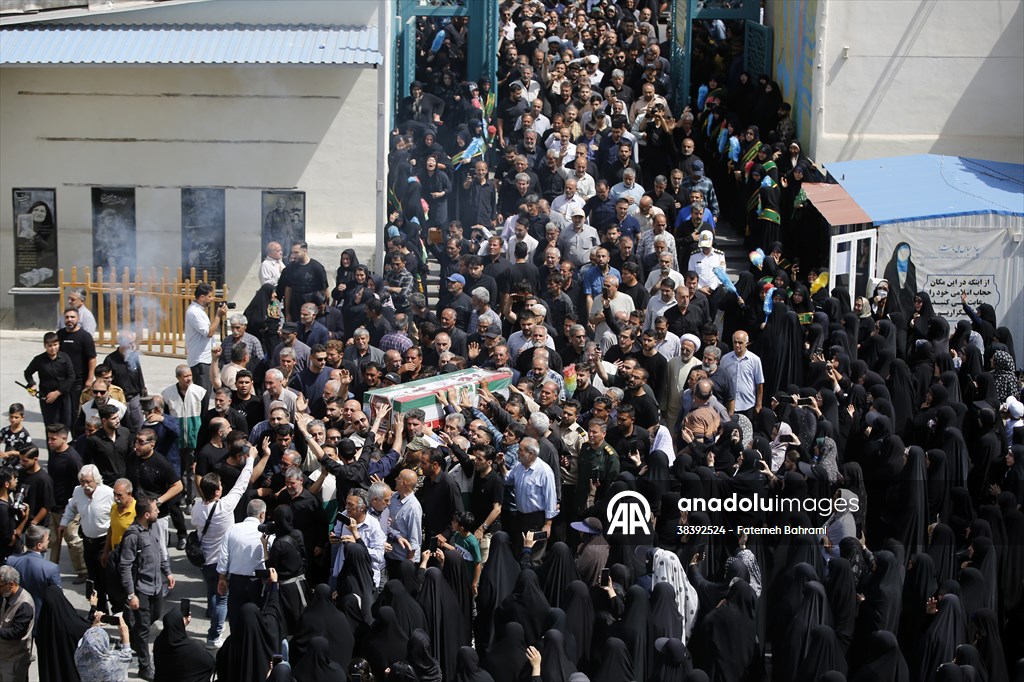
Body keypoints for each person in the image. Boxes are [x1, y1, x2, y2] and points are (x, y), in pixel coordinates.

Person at [191, 438, 256, 648]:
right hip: (221, 563)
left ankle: (212, 616)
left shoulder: (196, 508)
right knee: (222, 599)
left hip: (204, 560)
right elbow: (242, 483)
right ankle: (214, 635)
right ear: (218, 491)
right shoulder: (224, 507)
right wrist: (251, 460)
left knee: (212, 592)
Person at [118, 495, 175, 680]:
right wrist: (131, 594)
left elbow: (160, 552)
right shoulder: (133, 536)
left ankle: (133, 637)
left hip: (157, 586)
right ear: (147, 514)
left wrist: (167, 572)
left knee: (155, 615)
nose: (159, 511)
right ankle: (144, 666)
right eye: (155, 509)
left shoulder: (153, 528)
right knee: (143, 628)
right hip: (141, 588)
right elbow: (125, 566)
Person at [60, 464, 112, 608]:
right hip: (88, 542)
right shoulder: (78, 492)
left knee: (107, 577)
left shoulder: (108, 493)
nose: (85, 485)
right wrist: (64, 523)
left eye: (89, 481)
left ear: (96, 480)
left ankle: (117, 607)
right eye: (83, 482)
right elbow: (71, 508)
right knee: (93, 578)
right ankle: (98, 609)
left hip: (105, 541)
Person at [36, 584, 90, 682]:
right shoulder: (71, 625)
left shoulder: (41, 626)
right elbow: (87, 629)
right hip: (70, 673)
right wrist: (93, 607)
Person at [22, 332, 75, 430]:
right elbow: (27, 373)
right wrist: (32, 384)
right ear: (44, 346)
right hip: (47, 399)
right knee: (51, 427)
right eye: (49, 346)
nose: (53, 348)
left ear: (59, 344)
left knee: (66, 425)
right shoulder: (39, 360)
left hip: (64, 397)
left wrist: (58, 392)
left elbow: (71, 377)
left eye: (55, 345)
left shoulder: (65, 358)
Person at [153, 606, 215, 682]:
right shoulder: (189, 648)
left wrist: (182, 625)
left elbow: (173, 628)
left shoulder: (159, 642)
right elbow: (209, 663)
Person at [74, 613, 133, 682]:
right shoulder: (110, 663)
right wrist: (125, 633)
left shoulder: (79, 657)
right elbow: (127, 656)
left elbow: (86, 641)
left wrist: (94, 626)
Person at [0, 565, 33, 681]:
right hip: (5, 655)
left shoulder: (24, 604)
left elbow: (16, 632)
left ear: (11, 584)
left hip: (15, 659)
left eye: (0, 586)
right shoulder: (8, 595)